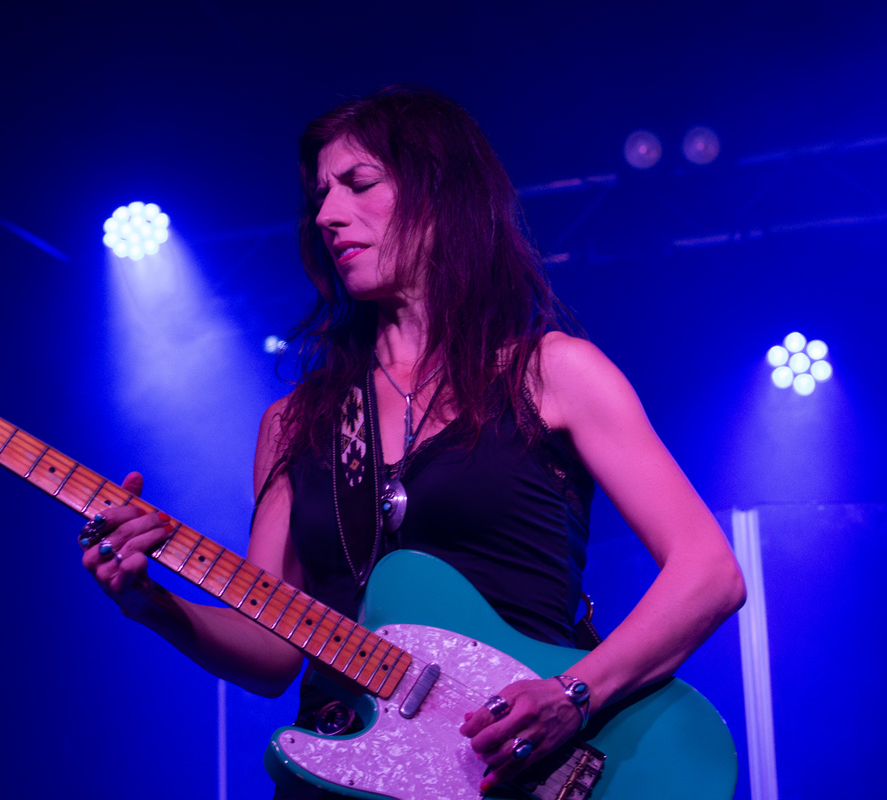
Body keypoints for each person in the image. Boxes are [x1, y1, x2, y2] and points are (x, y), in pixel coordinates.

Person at [80, 86, 745, 797]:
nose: (328, 214)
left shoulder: (552, 372)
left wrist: (573, 694)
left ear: (439, 195)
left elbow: (708, 573)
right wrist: (151, 603)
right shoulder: (294, 423)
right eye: (321, 196)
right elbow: (273, 649)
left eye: (359, 183)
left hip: (518, 770)